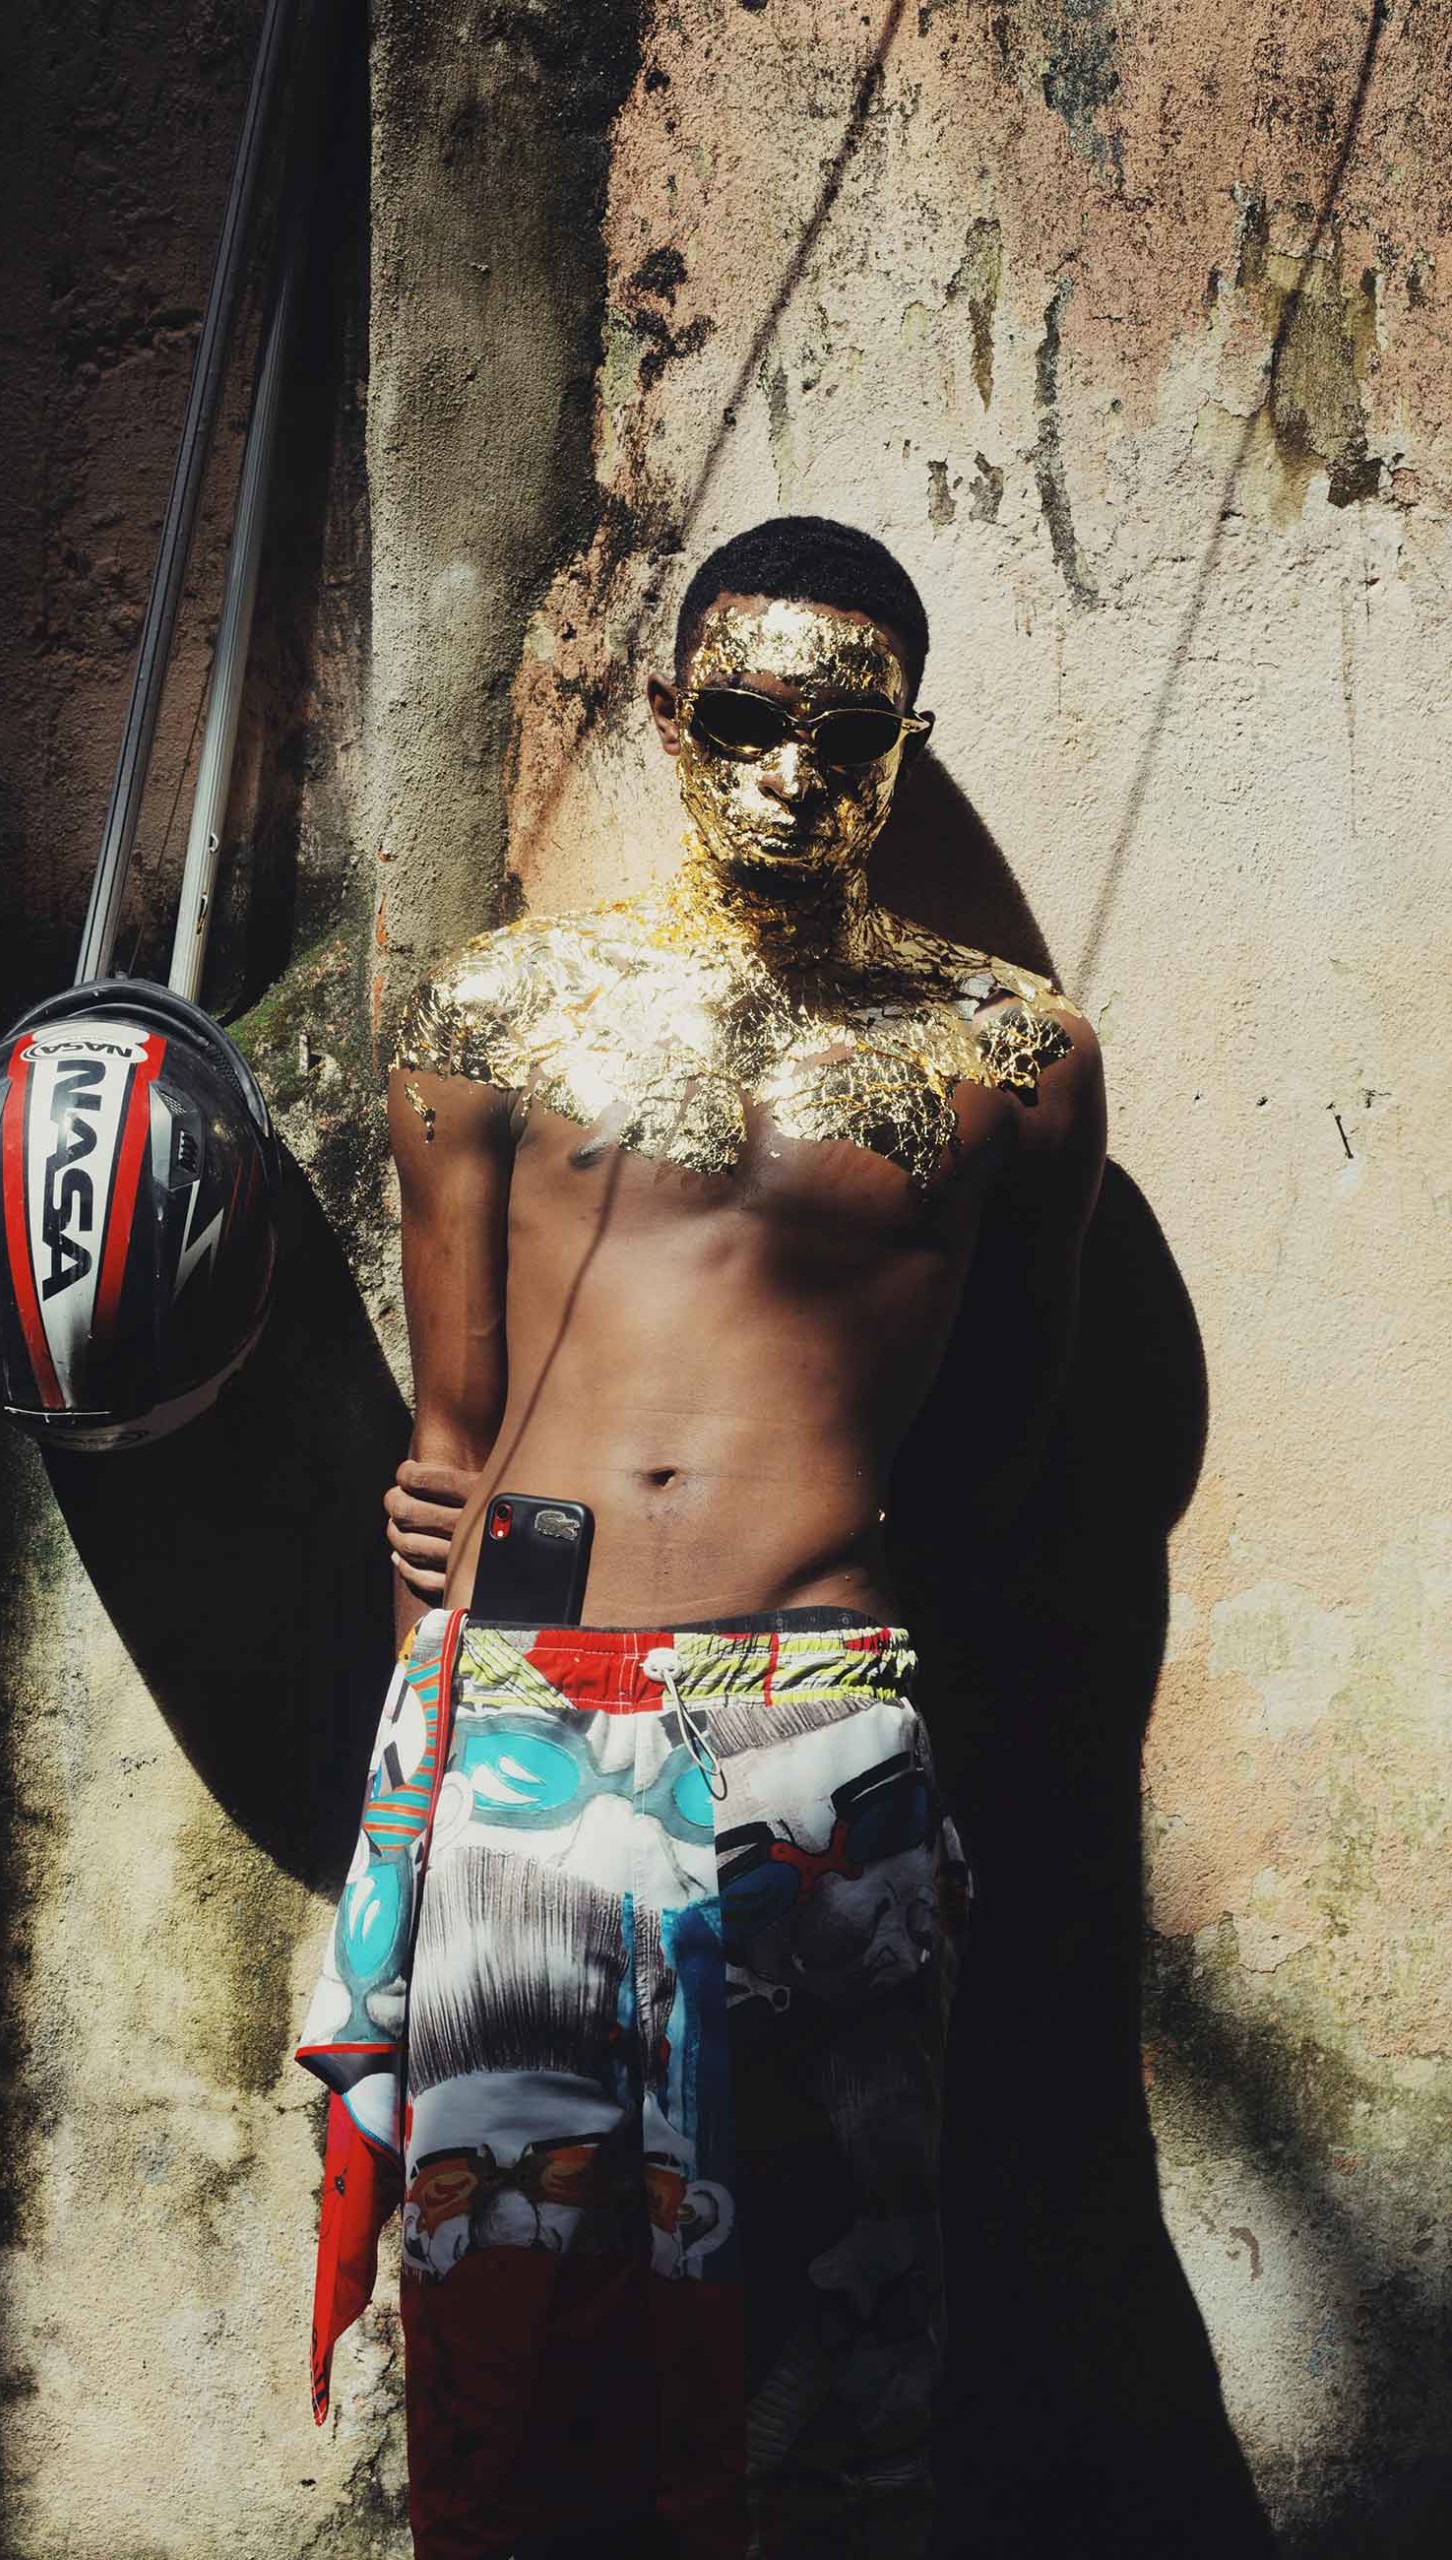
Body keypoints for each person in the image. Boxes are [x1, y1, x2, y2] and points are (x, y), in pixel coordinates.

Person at [298, 515, 1105, 2559]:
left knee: (835, 2294)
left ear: (908, 744)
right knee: (505, 2285)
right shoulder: (494, 1013)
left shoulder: (1009, 1055)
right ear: (672, 717)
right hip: (523, 1722)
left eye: (848, 734)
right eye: (745, 719)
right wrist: (428, 1686)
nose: (792, 773)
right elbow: (450, 1448)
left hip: (814, 1711)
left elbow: (1006, 1452)